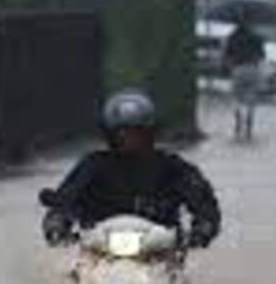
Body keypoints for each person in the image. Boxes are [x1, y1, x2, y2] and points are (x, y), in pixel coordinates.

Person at [41, 89, 221, 249]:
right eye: (122, 133)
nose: (129, 139)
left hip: (160, 252)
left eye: (137, 132)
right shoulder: (92, 165)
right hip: (98, 251)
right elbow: (67, 197)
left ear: (149, 132)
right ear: (110, 134)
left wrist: (203, 227)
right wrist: (57, 221)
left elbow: (202, 200)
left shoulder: (171, 167)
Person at [223, 17, 266, 141]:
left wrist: (229, 67)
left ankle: (238, 119)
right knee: (251, 97)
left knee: (236, 97)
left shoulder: (231, 38)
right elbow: (262, 55)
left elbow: (226, 56)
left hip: (237, 69)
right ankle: (249, 125)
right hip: (253, 68)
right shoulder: (256, 37)